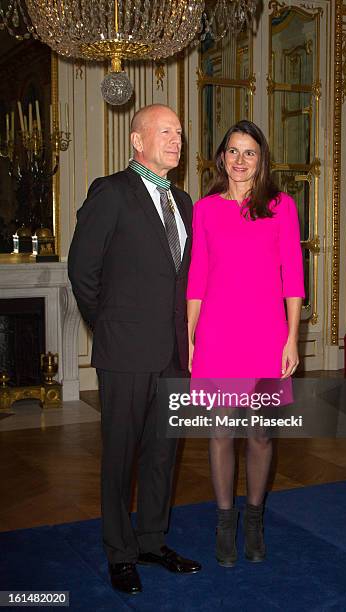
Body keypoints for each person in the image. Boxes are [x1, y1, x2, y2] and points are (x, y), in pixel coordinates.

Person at [68, 104, 201, 595]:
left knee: (163, 455)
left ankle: (150, 540)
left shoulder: (184, 202)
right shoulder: (111, 193)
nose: (176, 139)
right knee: (120, 457)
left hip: (173, 356)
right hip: (124, 353)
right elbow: (83, 272)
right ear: (137, 140)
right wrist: (109, 328)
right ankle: (119, 552)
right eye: (165, 131)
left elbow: (184, 279)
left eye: (180, 132)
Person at [187, 120, 305, 567]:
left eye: (249, 152)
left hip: (267, 334)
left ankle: (254, 519)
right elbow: (197, 276)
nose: (240, 160)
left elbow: (293, 276)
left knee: (259, 435)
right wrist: (190, 335)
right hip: (217, 334)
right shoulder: (206, 209)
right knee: (220, 432)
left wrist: (292, 338)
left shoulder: (281, 206)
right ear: (221, 158)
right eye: (233, 151)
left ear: (261, 159)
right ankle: (224, 523)